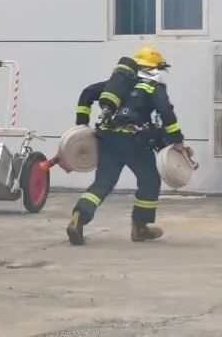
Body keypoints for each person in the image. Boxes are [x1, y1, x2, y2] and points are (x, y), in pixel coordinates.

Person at [67, 46, 186, 245]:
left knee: (102, 183)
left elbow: (87, 93)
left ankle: (78, 217)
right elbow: (166, 112)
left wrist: (82, 124)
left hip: (108, 139)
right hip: (135, 142)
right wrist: (177, 140)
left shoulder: (116, 86)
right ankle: (140, 228)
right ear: (154, 68)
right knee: (149, 180)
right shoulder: (152, 87)